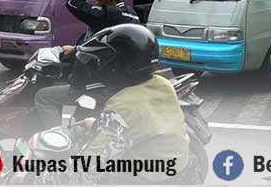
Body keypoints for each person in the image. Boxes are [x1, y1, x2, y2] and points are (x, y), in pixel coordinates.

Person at [75, 25, 190, 183]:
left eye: (100, 63)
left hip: (149, 179)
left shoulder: (121, 103)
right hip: (178, 168)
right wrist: (97, 126)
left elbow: (92, 163)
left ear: (115, 66)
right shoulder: (162, 83)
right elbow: (139, 124)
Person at [34, 0, 139, 131]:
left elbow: (73, 1)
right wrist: (76, 49)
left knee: (43, 97)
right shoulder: (130, 14)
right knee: (79, 120)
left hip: (99, 83)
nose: (95, 1)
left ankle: (58, 142)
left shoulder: (105, 14)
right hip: (116, 78)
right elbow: (109, 46)